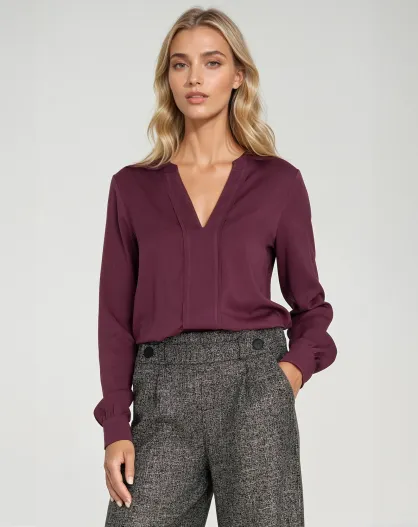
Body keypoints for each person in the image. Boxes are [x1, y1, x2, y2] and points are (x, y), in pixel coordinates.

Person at [93, 6, 337, 527]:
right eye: (180, 64)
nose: (195, 78)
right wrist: (116, 423)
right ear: (168, 78)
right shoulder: (132, 187)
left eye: (212, 62)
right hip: (162, 393)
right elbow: (114, 317)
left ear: (238, 76)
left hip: (254, 387)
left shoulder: (278, 183)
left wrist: (288, 376)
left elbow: (311, 306)